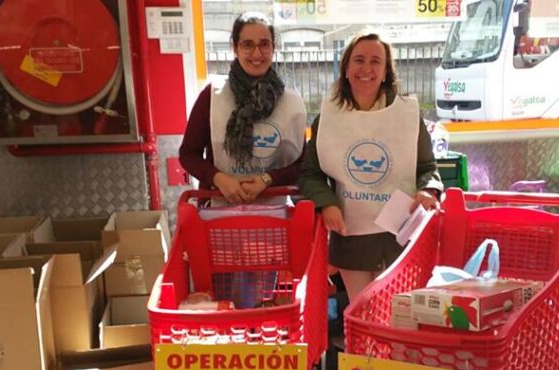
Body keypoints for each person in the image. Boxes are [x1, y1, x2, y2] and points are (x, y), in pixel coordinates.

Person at [298, 31, 442, 301]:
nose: (366, 68)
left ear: (387, 70)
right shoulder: (328, 118)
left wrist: (428, 190)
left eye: (376, 61)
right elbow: (310, 173)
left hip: (400, 238)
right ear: (346, 68)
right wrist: (326, 203)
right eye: (359, 60)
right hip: (352, 239)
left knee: (401, 319)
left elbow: (427, 167)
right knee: (361, 316)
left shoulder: (407, 115)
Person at [178, 12, 306, 205]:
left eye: (264, 44)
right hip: (219, 209)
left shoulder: (291, 101)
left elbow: (302, 164)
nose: (256, 53)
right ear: (235, 48)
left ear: (273, 48)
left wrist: (267, 179)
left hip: (275, 211)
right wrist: (219, 179)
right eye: (247, 44)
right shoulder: (212, 96)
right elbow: (188, 154)